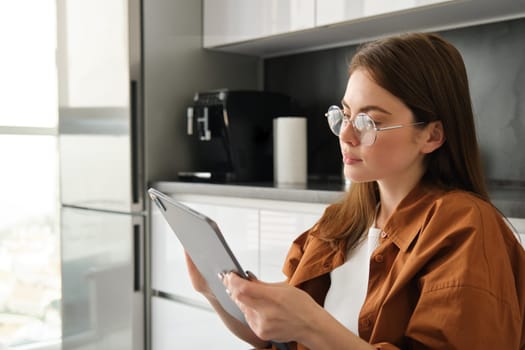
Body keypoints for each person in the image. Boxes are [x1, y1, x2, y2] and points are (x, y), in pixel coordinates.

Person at [185, 32, 525, 349]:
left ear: (432, 135)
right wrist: (215, 293)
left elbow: (306, 327)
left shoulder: (466, 227)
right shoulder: (340, 223)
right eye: (344, 115)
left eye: (369, 121)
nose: (346, 135)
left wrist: (311, 324)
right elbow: (279, 338)